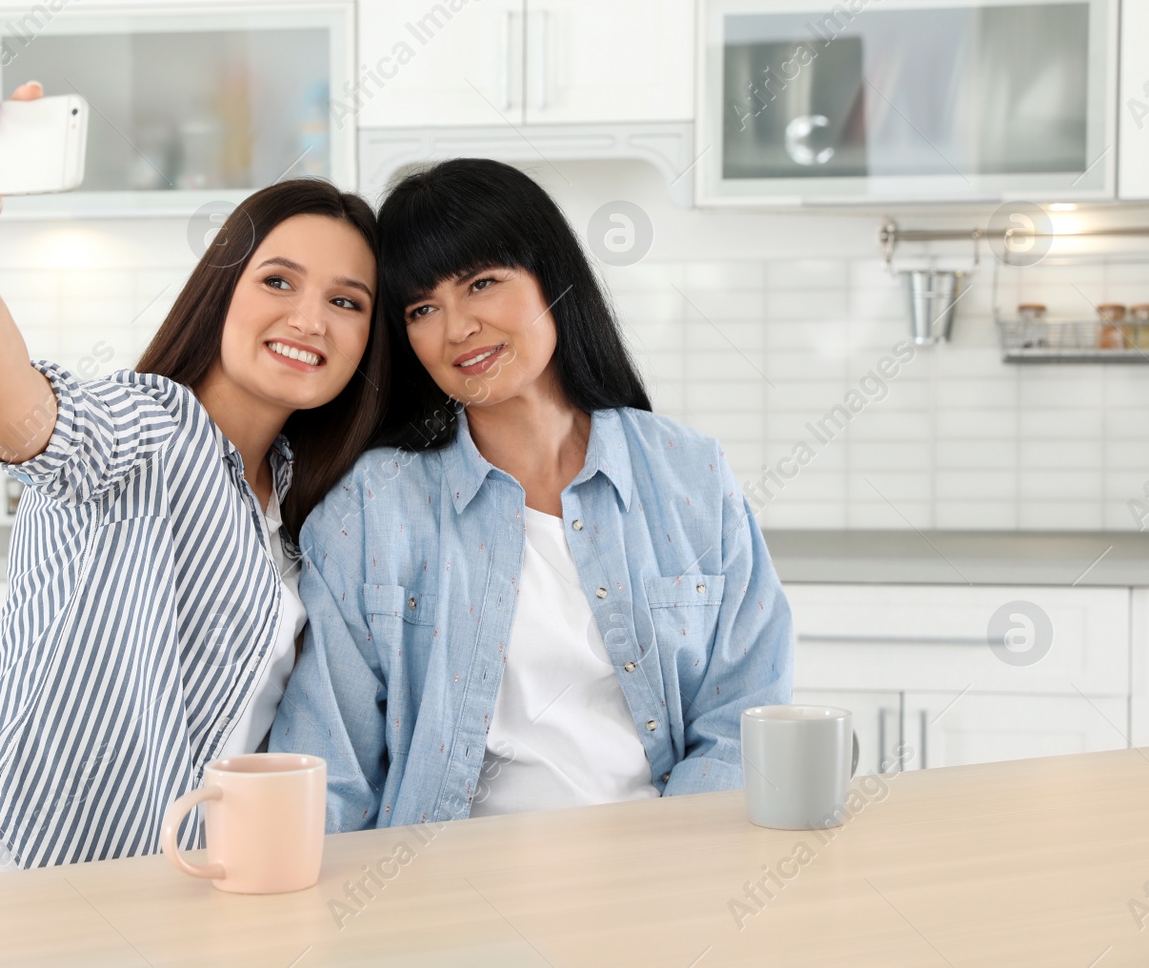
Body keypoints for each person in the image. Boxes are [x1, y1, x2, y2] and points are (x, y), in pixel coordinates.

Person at [0, 80, 387, 883]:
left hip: (135, 901)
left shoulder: (286, 505)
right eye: (278, 281)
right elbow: (24, 423)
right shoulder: (154, 427)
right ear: (223, 288)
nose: (310, 320)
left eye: (346, 301)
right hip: (0, 883)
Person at [270, 158, 792, 828]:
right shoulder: (373, 510)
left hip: (662, 875)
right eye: (423, 308)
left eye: (482, 283)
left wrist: (673, 868)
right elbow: (327, 769)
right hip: (451, 895)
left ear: (552, 275)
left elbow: (744, 717)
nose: (457, 328)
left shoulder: (688, 474)